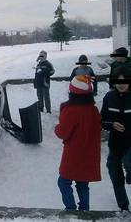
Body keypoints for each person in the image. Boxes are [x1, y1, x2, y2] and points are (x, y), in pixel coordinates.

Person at [55, 75, 101, 210]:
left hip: (74, 154)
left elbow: (62, 133)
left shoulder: (71, 110)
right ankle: (85, 210)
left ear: (72, 91)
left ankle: (70, 208)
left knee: (63, 182)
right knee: (82, 184)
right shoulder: (93, 109)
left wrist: (56, 128)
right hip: (89, 153)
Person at [101, 66, 131, 211]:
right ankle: (124, 207)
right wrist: (112, 124)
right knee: (114, 172)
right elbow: (102, 120)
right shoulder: (109, 97)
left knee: (129, 161)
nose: (121, 84)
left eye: (124, 81)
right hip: (115, 144)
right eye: (118, 81)